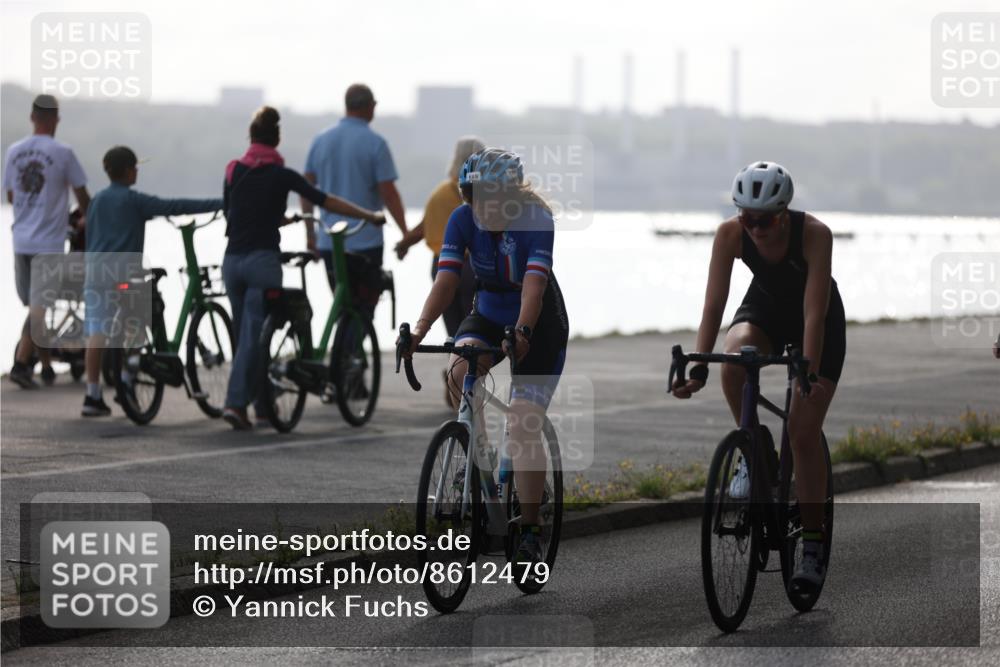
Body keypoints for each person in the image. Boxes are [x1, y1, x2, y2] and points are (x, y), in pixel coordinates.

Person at [671, 161, 846, 593]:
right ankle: (753, 447)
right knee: (734, 359)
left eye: (764, 219)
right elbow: (714, 307)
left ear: (783, 213)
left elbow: (814, 314)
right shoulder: (730, 234)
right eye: (747, 218)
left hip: (816, 319)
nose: (755, 228)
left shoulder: (815, 235)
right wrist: (698, 366)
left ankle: (811, 544)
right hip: (765, 308)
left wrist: (806, 369)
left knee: (804, 432)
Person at [401, 148, 569, 569]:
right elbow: (445, 283)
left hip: (539, 323)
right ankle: (481, 461)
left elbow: (533, 288)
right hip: (489, 313)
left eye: (495, 196)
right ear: (468, 195)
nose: (486, 205)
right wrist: (419, 330)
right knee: (459, 372)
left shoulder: (536, 221)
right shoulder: (461, 220)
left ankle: (529, 530)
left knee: (522, 422)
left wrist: (524, 332)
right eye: (478, 196)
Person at [222, 106, 386, 430]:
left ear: (251, 138)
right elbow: (327, 201)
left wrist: (276, 218)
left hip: (232, 261)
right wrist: (369, 216)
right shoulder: (282, 175)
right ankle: (235, 404)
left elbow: (233, 214)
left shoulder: (233, 170)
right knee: (255, 337)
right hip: (261, 262)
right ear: (277, 140)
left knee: (247, 338)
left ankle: (262, 408)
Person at [80, 146, 223, 416]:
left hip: (95, 274)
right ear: (127, 171)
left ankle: (92, 395)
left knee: (97, 332)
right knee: (138, 318)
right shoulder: (134, 201)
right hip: (125, 275)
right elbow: (176, 206)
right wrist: (220, 203)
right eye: (135, 167)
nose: (137, 171)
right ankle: (127, 379)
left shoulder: (97, 200)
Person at [3, 94, 90, 389]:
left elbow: (11, 196)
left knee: (34, 305)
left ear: (32, 117)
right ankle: (20, 365)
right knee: (39, 307)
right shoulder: (63, 153)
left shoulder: (13, 152)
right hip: (49, 242)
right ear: (56, 119)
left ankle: (46, 366)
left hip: (20, 240)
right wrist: (86, 217)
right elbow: (82, 197)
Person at [395, 136, 484, 405]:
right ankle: (462, 385)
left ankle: (454, 376)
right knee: (471, 333)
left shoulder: (441, 193)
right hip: (468, 267)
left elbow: (423, 227)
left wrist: (403, 243)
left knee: (455, 331)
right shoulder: (472, 193)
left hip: (440, 266)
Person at [302, 84, 407, 305]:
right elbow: (389, 195)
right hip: (366, 240)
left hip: (330, 242)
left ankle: (342, 337)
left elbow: (306, 190)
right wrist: (405, 234)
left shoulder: (320, 141)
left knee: (340, 307)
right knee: (364, 310)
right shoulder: (376, 144)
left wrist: (310, 234)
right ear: (370, 106)